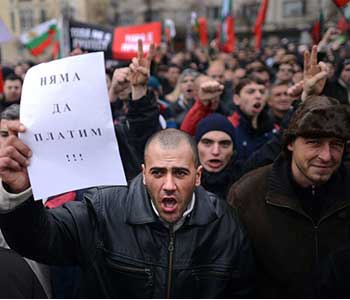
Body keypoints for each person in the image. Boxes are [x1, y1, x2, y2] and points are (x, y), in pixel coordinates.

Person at [0, 127, 255, 298]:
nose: (168, 185)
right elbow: (39, 240)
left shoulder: (224, 224)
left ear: (197, 176)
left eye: (179, 173)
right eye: (158, 173)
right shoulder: (103, 211)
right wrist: (20, 191)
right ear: (144, 173)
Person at [228, 94, 350, 297]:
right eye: (314, 142)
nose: (326, 155)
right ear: (291, 143)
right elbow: (235, 280)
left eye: (336, 144)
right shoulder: (247, 195)